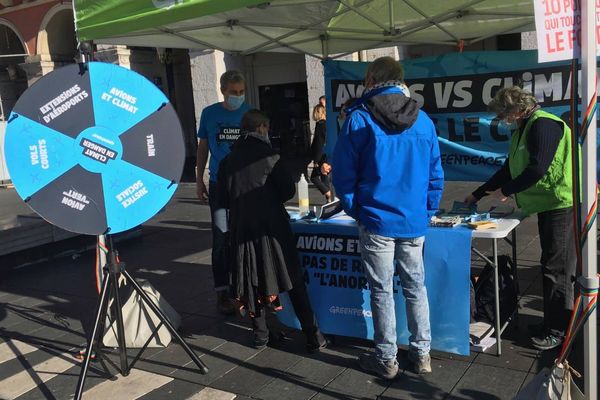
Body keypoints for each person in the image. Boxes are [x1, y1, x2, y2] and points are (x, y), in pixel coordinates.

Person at [332, 56, 444, 379]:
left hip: (377, 221)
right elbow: (436, 175)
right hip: (412, 222)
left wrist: (357, 209)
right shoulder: (423, 121)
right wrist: (426, 212)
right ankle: (422, 354)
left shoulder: (359, 120)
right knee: (415, 286)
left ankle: (386, 358)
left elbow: (342, 176)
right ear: (400, 79)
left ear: (371, 80)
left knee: (381, 290)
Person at [464, 86, 577, 351]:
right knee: (551, 264)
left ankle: (558, 331)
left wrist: (507, 191)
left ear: (518, 108)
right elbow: (509, 169)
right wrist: (477, 194)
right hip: (548, 203)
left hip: (563, 202)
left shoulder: (544, 125)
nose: (502, 119)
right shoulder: (524, 129)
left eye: (504, 113)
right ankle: (552, 322)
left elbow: (538, 167)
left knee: (556, 268)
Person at [216, 109, 328, 352]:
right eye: (266, 128)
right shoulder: (269, 156)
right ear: (261, 128)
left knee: (251, 280)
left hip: (241, 228)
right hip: (271, 228)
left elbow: (223, 196)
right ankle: (313, 335)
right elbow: (288, 190)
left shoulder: (228, 160)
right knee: (292, 278)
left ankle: (261, 335)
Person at [196, 70, 250, 315]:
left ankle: (245, 288)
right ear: (223, 91)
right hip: (219, 184)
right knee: (220, 237)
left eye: (241, 92)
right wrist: (199, 179)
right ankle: (222, 291)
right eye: (233, 92)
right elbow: (203, 148)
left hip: (245, 185)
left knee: (244, 236)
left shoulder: (249, 113)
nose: (238, 96)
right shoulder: (209, 114)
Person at [309, 104, 334, 202]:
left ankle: (329, 195)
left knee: (314, 178)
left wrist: (316, 160)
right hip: (325, 155)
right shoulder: (326, 124)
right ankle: (329, 199)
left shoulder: (320, 125)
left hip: (321, 156)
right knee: (324, 177)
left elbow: (318, 143)